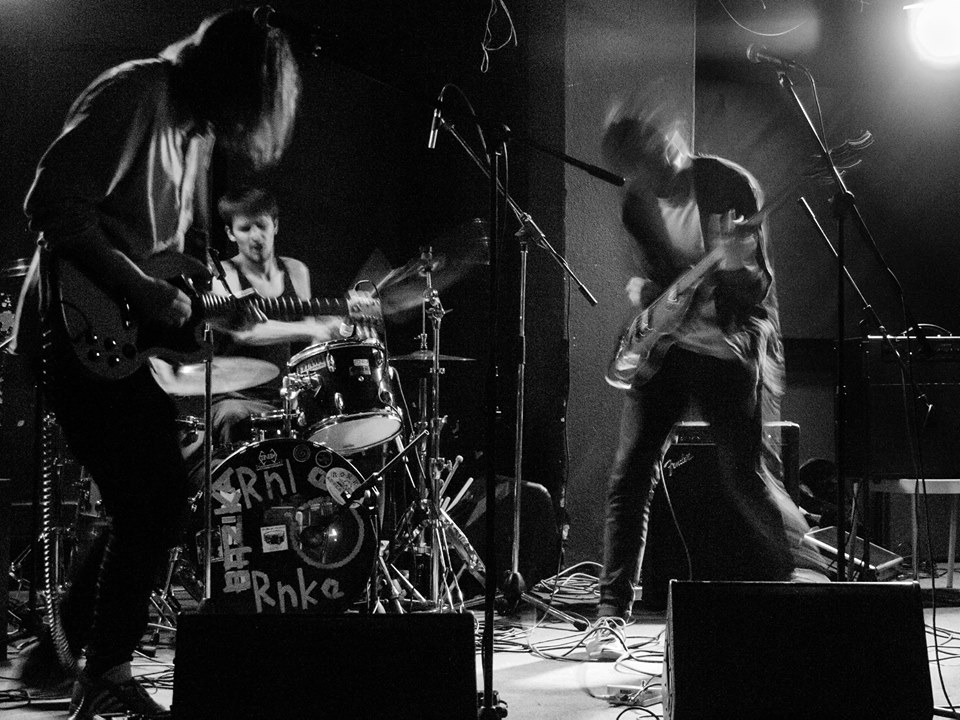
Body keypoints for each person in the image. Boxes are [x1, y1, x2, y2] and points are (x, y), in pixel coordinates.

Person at [11, 10, 301, 719]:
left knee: (151, 500)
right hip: (71, 328)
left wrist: (207, 304)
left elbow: (166, 253)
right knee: (156, 498)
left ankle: (58, 653)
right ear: (234, 80)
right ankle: (98, 665)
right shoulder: (135, 93)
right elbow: (50, 204)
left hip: (114, 340)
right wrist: (145, 291)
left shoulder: (193, 133)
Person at [595, 101, 825, 628]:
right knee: (631, 474)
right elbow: (658, 278)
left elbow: (758, 288)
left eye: (656, 159)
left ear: (669, 142)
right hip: (668, 352)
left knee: (744, 477)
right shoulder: (636, 204)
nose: (652, 177)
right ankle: (611, 612)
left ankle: (794, 585)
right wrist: (650, 296)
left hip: (726, 346)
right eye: (638, 171)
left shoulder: (728, 184)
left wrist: (735, 265)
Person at [191, 186, 348, 449]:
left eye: (262, 226)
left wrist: (337, 329)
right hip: (234, 397)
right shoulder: (223, 275)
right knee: (233, 416)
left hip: (283, 396)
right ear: (230, 233)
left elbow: (311, 339)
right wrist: (313, 329)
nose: (256, 236)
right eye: (245, 228)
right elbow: (246, 332)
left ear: (275, 225)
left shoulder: (296, 270)